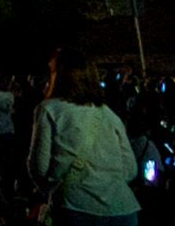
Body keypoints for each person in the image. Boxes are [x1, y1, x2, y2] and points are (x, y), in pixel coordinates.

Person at [21, 52, 139, 225]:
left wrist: (53, 188)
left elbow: (39, 167)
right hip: (123, 209)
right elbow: (130, 169)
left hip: (76, 207)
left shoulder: (49, 109)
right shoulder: (108, 113)